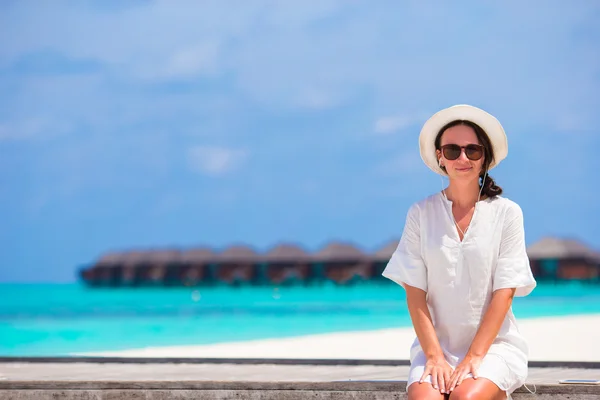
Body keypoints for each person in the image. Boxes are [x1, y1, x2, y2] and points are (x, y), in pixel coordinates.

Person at [382, 104, 537, 400]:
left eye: (473, 150)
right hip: (435, 350)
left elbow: (504, 292)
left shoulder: (507, 213)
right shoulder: (421, 213)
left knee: (465, 397)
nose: (462, 158)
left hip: (494, 348)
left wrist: (474, 357)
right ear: (441, 157)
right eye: (452, 150)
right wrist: (434, 356)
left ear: (485, 158)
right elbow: (414, 294)